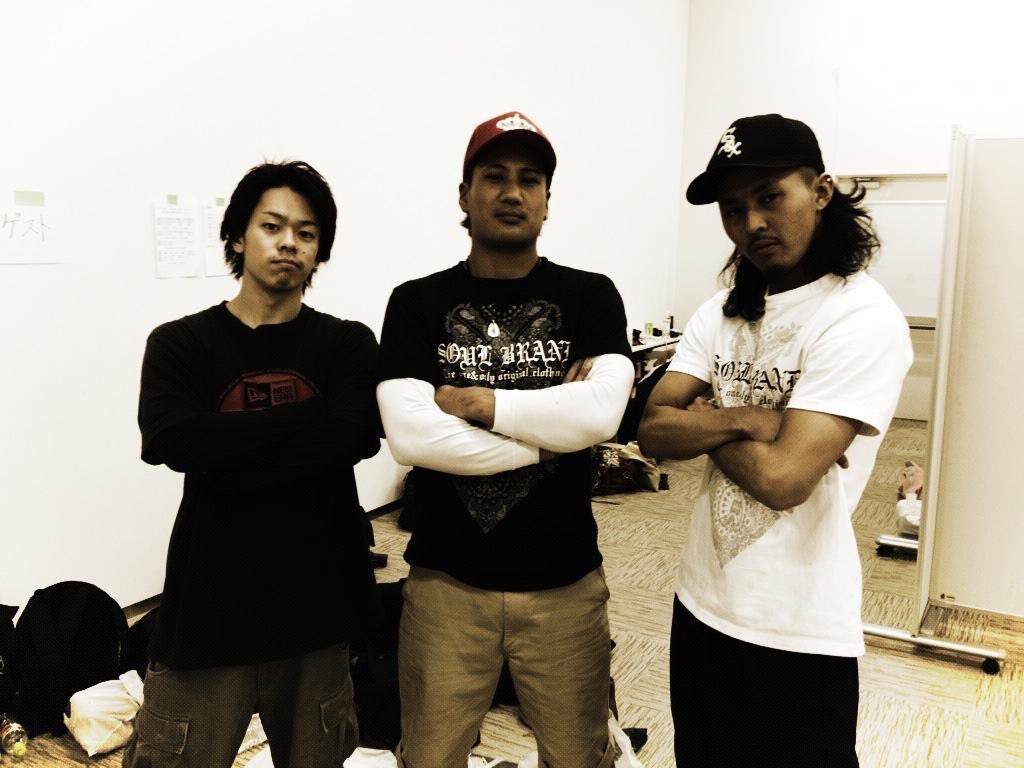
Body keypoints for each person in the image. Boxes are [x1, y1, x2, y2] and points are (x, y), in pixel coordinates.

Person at [638, 114, 913, 767]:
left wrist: (707, 417)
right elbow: (651, 429)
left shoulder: (859, 316)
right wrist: (748, 419)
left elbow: (783, 479)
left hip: (798, 626)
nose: (752, 223)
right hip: (700, 603)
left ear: (821, 191)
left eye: (770, 197)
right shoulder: (719, 312)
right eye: (733, 209)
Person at [376, 111, 635, 768]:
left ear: (548, 200)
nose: (513, 192)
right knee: (429, 757)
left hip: (565, 585)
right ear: (464, 194)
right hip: (445, 584)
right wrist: (553, 435)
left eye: (530, 179)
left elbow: (602, 414)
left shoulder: (590, 296)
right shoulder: (415, 302)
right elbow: (412, 436)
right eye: (494, 176)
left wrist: (480, 405)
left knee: (579, 757)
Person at [126, 161, 381, 768]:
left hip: (318, 609)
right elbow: (172, 441)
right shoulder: (180, 343)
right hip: (209, 609)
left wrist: (225, 445)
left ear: (320, 251)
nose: (290, 243)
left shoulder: (347, 343)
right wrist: (311, 425)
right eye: (272, 226)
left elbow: (356, 437)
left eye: (307, 233)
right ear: (237, 237)